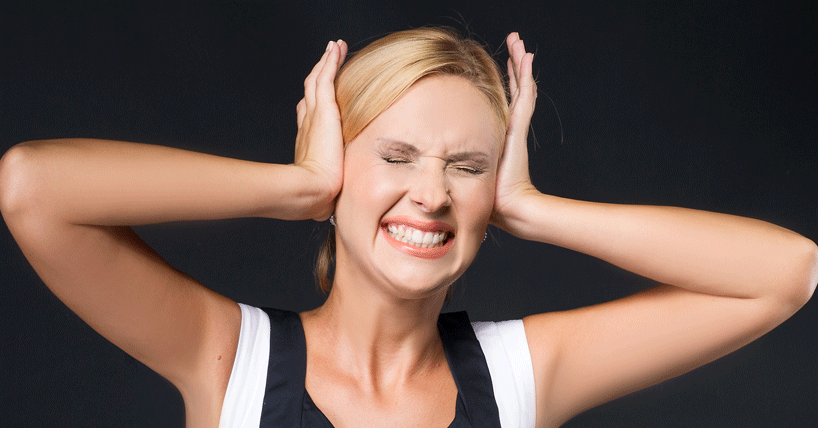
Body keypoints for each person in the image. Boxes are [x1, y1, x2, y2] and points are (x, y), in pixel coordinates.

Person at [0, 27, 815, 428]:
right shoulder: (229, 360)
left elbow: (784, 273)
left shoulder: (523, 374)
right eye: (395, 156)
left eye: (467, 167)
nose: (431, 193)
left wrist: (534, 208)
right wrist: (299, 185)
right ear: (338, 167)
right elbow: (34, 187)